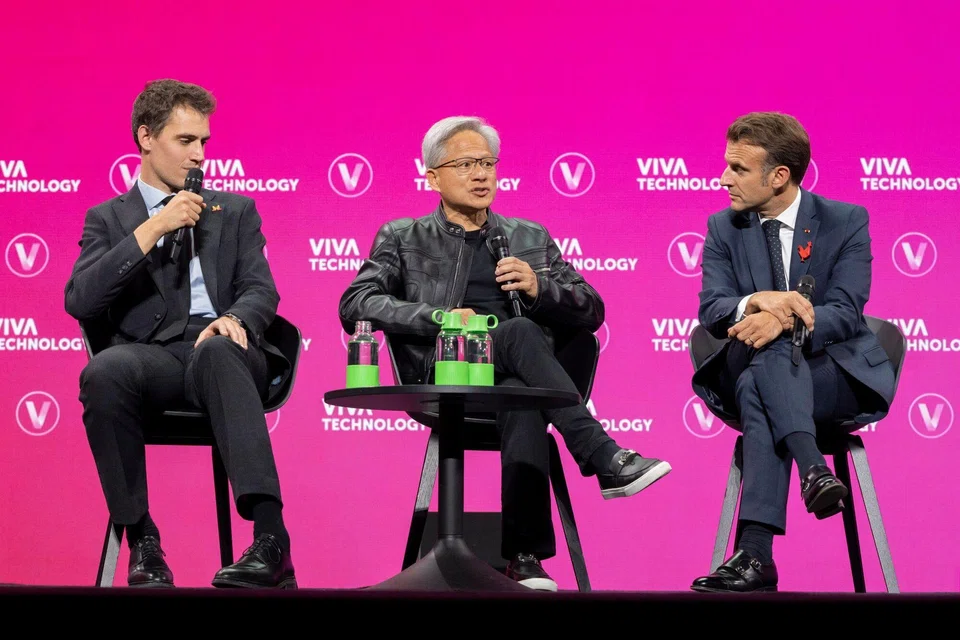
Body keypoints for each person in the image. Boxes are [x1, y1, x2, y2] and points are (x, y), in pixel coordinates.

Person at [339, 116, 671, 592]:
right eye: (466, 164)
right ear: (432, 177)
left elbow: (593, 309)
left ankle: (524, 559)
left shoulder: (529, 236)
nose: (481, 175)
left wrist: (540, 288)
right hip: (447, 372)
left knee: (522, 393)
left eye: (488, 163)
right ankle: (602, 455)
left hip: (520, 376)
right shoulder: (402, 236)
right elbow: (356, 302)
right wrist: (440, 317)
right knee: (518, 335)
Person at [65, 79, 296, 589]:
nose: (199, 155)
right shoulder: (109, 218)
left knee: (217, 352)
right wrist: (153, 228)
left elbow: (260, 289)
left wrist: (236, 320)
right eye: (185, 140)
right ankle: (143, 540)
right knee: (105, 370)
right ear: (146, 137)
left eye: (204, 142)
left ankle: (271, 539)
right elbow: (80, 300)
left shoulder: (235, 210)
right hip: (154, 359)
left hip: (228, 351)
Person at [689, 112, 896, 593]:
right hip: (752, 362)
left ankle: (755, 555)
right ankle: (813, 468)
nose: (723, 179)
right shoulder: (723, 227)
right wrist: (756, 302)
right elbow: (713, 308)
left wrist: (781, 319)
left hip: (830, 373)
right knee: (764, 364)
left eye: (738, 169)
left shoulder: (845, 221)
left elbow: (845, 311)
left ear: (779, 175)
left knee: (760, 380)